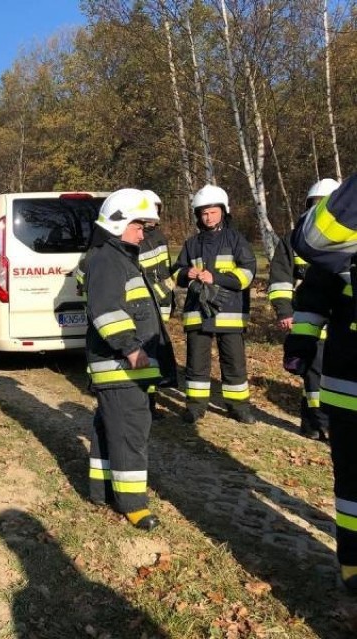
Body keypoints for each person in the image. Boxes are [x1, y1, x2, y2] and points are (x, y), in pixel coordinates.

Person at [82, 189, 175, 531]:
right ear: (120, 221)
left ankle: (102, 490)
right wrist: (132, 348)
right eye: (139, 224)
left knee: (110, 430)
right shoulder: (109, 260)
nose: (144, 231)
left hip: (119, 368)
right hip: (121, 367)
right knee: (130, 434)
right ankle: (133, 504)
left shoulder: (120, 258)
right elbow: (105, 312)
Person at [284, 172, 357, 592]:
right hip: (348, 381)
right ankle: (352, 565)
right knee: (351, 491)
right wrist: (301, 340)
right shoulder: (337, 247)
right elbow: (313, 295)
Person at [174, 185, 257, 425]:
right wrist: (185, 273)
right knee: (196, 364)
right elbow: (175, 274)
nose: (208, 217)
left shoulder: (236, 240)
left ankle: (239, 407)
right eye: (203, 213)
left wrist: (216, 278)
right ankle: (195, 407)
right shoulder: (192, 243)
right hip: (197, 313)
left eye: (212, 212)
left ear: (223, 211)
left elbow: (248, 273)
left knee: (233, 363)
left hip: (229, 312)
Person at [268, 179, 340, 440]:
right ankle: (322, 424)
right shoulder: (294, 239)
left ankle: (311, 424)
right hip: (306, 318)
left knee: (326, 373)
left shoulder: (347, 238)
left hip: (339, 322)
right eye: (315, 204)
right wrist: (284, 312)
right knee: (314, 372)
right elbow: (280, 279)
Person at [139, 190, 175, 419]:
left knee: (154, 355)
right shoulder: (135, 237)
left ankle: (150, 403)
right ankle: (146, 405)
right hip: (143, 306)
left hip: (160, 305)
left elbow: (166, 270)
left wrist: (167, 296)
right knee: (145, 354)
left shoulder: (160, 237)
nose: (154, 214)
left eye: (157, 209)